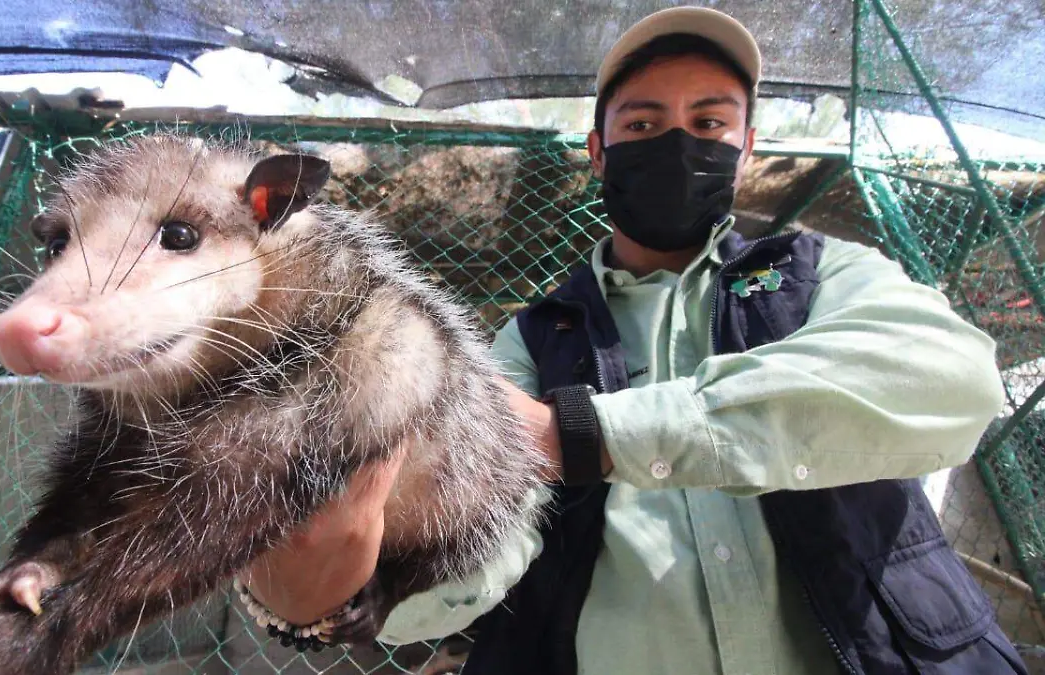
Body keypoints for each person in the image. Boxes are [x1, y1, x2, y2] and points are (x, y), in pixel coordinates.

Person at [239, 7, 1028, 674]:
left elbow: (953, 380)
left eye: (709, 123)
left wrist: (585, 434)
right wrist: (355, 584)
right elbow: (487, 528)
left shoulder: (824, 274)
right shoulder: (525, 341)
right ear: (598, 152)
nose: (678, 144)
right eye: (644, 124)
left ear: (745, 147)